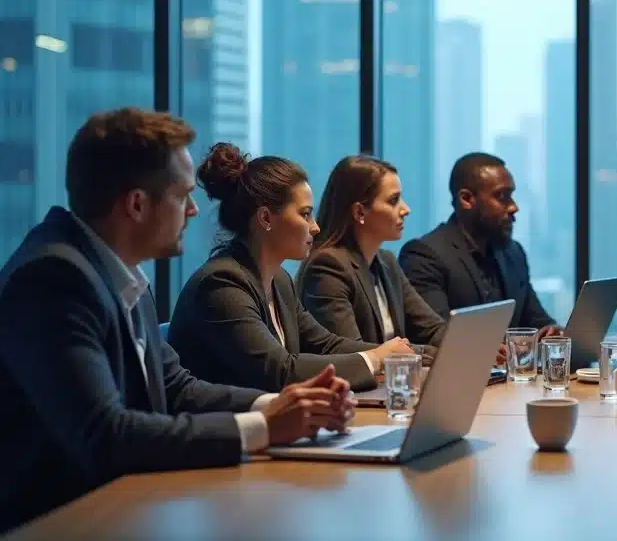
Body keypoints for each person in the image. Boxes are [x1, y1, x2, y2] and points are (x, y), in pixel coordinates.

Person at [0, 109, 356, 534]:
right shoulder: (55, 280)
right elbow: (106, 435)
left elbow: (174, 386)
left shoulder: (119, 272)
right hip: (66, 521)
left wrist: (280, 405)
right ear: (136, 204)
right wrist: (265, 427)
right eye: (182, 196)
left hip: (129, 507)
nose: (191, 210)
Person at [169, 144, 411, 393]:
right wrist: (376, 358)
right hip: (224, 428)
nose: (315, 227)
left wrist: (398, 352)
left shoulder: (279, 280)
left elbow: (325, 345)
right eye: (305, 214)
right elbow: (280, 371)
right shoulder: (221, 283)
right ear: (265, 218)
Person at [295, 156, 447, 359]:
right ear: (359, 211)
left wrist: (473, 344)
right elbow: (354, 353)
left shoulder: (387, 261)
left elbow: (431, 328)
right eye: (393, 201)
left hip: (390, 385)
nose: (405, 209)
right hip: (356, 389)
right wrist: (431, 353)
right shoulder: (327, 266)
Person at [399, 152, 560, 337]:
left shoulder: (513, 253)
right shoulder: (424, 256)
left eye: (512, 196)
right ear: (466, 199)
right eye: (501, 196)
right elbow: (437, 336)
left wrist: (552, 333)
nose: (514, 207)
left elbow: (537, 321)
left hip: (510, 366)